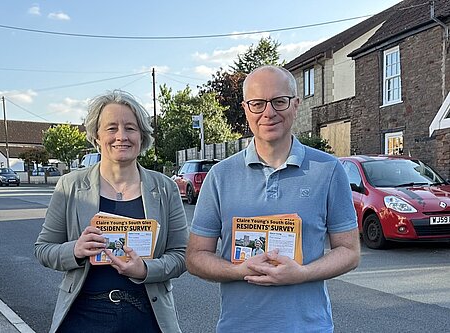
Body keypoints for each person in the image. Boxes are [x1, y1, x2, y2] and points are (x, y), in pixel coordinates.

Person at [186, 65, 360, 333]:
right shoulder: (220, 176)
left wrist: (301, 274)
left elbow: (349, 252)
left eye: (279, 101)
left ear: (296, 104)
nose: (268, 113)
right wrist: (240, 270)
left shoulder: (328, 170)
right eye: (257, 103)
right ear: (245, 108)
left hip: (310, 328)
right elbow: (196, 257)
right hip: (237, 328)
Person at [35, 90, 189, 333]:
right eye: (111, 128)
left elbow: (181, 255)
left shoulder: (165, 188)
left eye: (130, 127)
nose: (121, 136)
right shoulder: (70, 186)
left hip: (148, 317)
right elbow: (43, 249)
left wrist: (146, 270)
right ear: (97, 136)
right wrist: (75, 250)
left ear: (142, 136)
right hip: (83, 316)